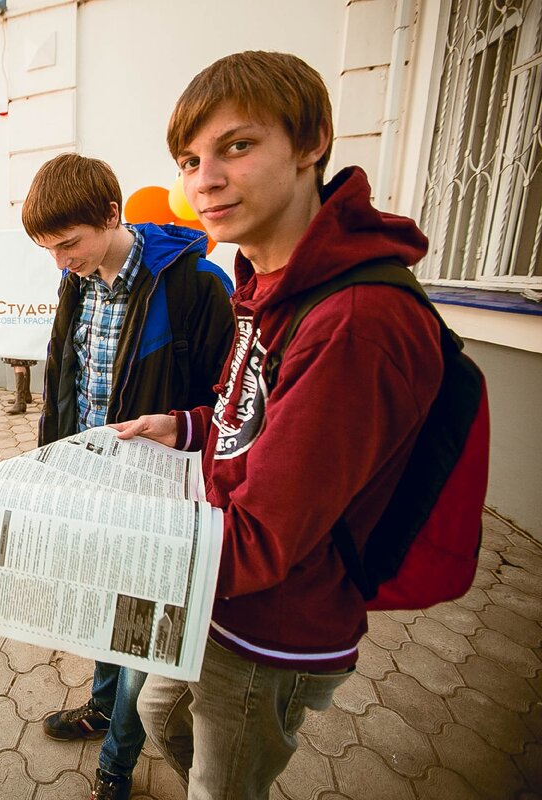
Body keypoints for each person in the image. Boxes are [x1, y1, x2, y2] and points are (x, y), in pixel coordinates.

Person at [115, 51, 444, 799]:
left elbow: (267, 538)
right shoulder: (269, 280)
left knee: (222, 785)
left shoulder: (354, 320)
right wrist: (188, 426)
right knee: (157, 711)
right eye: (190, 159)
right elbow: (253, 414)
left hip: (269, 628)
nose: (205, 179)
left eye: (237, 146)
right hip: (215, 592)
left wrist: (109, 556)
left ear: (311, 142)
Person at [24, 153, 235, 800]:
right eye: (49, 250)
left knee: (143, 631)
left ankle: (117, 763)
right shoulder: (76, 282)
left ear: (113, 216)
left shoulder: (195, 286)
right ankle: (98, 707)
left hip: (158, 492)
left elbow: (227, 407)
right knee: (102, 611)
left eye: (69, 244)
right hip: (89, 479)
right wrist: (50, 464)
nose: (61, 261)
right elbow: (63, 380)